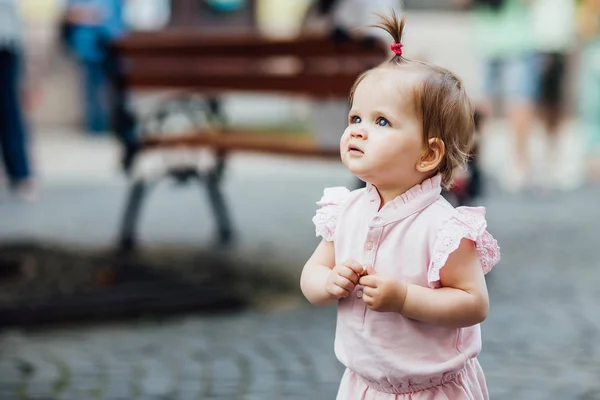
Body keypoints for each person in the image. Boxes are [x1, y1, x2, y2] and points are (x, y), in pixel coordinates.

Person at [300, 12, 501, 399]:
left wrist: (405, 298)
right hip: (364, 385)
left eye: (382, 122)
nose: (358, 129)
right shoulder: (347, 210)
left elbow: (473, 303)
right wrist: (327, 283)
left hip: (432, 389)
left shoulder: (444, 228)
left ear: (428, 154)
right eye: (355, 116)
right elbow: (314, 271)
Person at [62, 0, 126, 134]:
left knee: (116, 89)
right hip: (89, 46)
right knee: (92, 88)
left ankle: (115, 124)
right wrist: (91, 15)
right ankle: (96, 126)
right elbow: (68, 14)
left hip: (115, 45)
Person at [0, 0, 36, 200]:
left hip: (6, 44)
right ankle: (21, 174)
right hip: (8, 41)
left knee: (9, 111)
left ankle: (20, 173)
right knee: (10, 112)